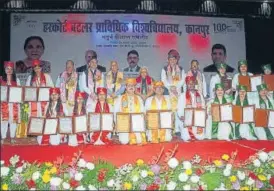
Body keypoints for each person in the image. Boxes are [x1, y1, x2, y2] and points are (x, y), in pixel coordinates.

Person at [114, 78, 147, 145]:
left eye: (133, 86)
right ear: (126, 87)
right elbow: (115, 112)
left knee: (139, 141)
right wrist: (117, 124)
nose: (131, 87)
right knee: (124, 141)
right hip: (124, 124)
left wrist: (142, 123)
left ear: (135, 88)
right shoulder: (120, 98)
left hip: (136, 124)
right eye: (129, 86)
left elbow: (143, 112)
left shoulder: (139, 98)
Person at [161, 49, 186, 136]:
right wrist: (170, 87)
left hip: (178, 92)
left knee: (178, 109)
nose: (172, 61)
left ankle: (178, 129)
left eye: (174, 59)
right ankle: (170, 128)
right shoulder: (164, 69)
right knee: (170, 110)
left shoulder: (181, 69)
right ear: (168, 60)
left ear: (177, 60)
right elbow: (163, 80)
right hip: (168, 92)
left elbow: (183, 80)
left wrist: (176, 87)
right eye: (170, 59)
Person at [177, 76, 206, 141]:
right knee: (186, 137)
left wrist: (204, 113)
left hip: (198, 119)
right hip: (187, 119)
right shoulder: (183, 95)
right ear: (187, 85)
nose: (191, 85)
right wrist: (181, 115)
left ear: (194, 84)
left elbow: (203, 106)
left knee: (201, 137)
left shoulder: (200, 94)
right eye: (189, 84)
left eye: (192, 83)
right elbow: (179, 107)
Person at [0, 61, 21, 144]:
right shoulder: (1, 79)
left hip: (14, 104)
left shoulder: (16, 80)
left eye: (11, 69)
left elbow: (19, 92)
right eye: (7, 68)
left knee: (13, 121)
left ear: (13, 70)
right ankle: (3, 137)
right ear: (4, 70)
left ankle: (12, 137)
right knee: (3, 121)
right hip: (3, 104)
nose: (9, 70)